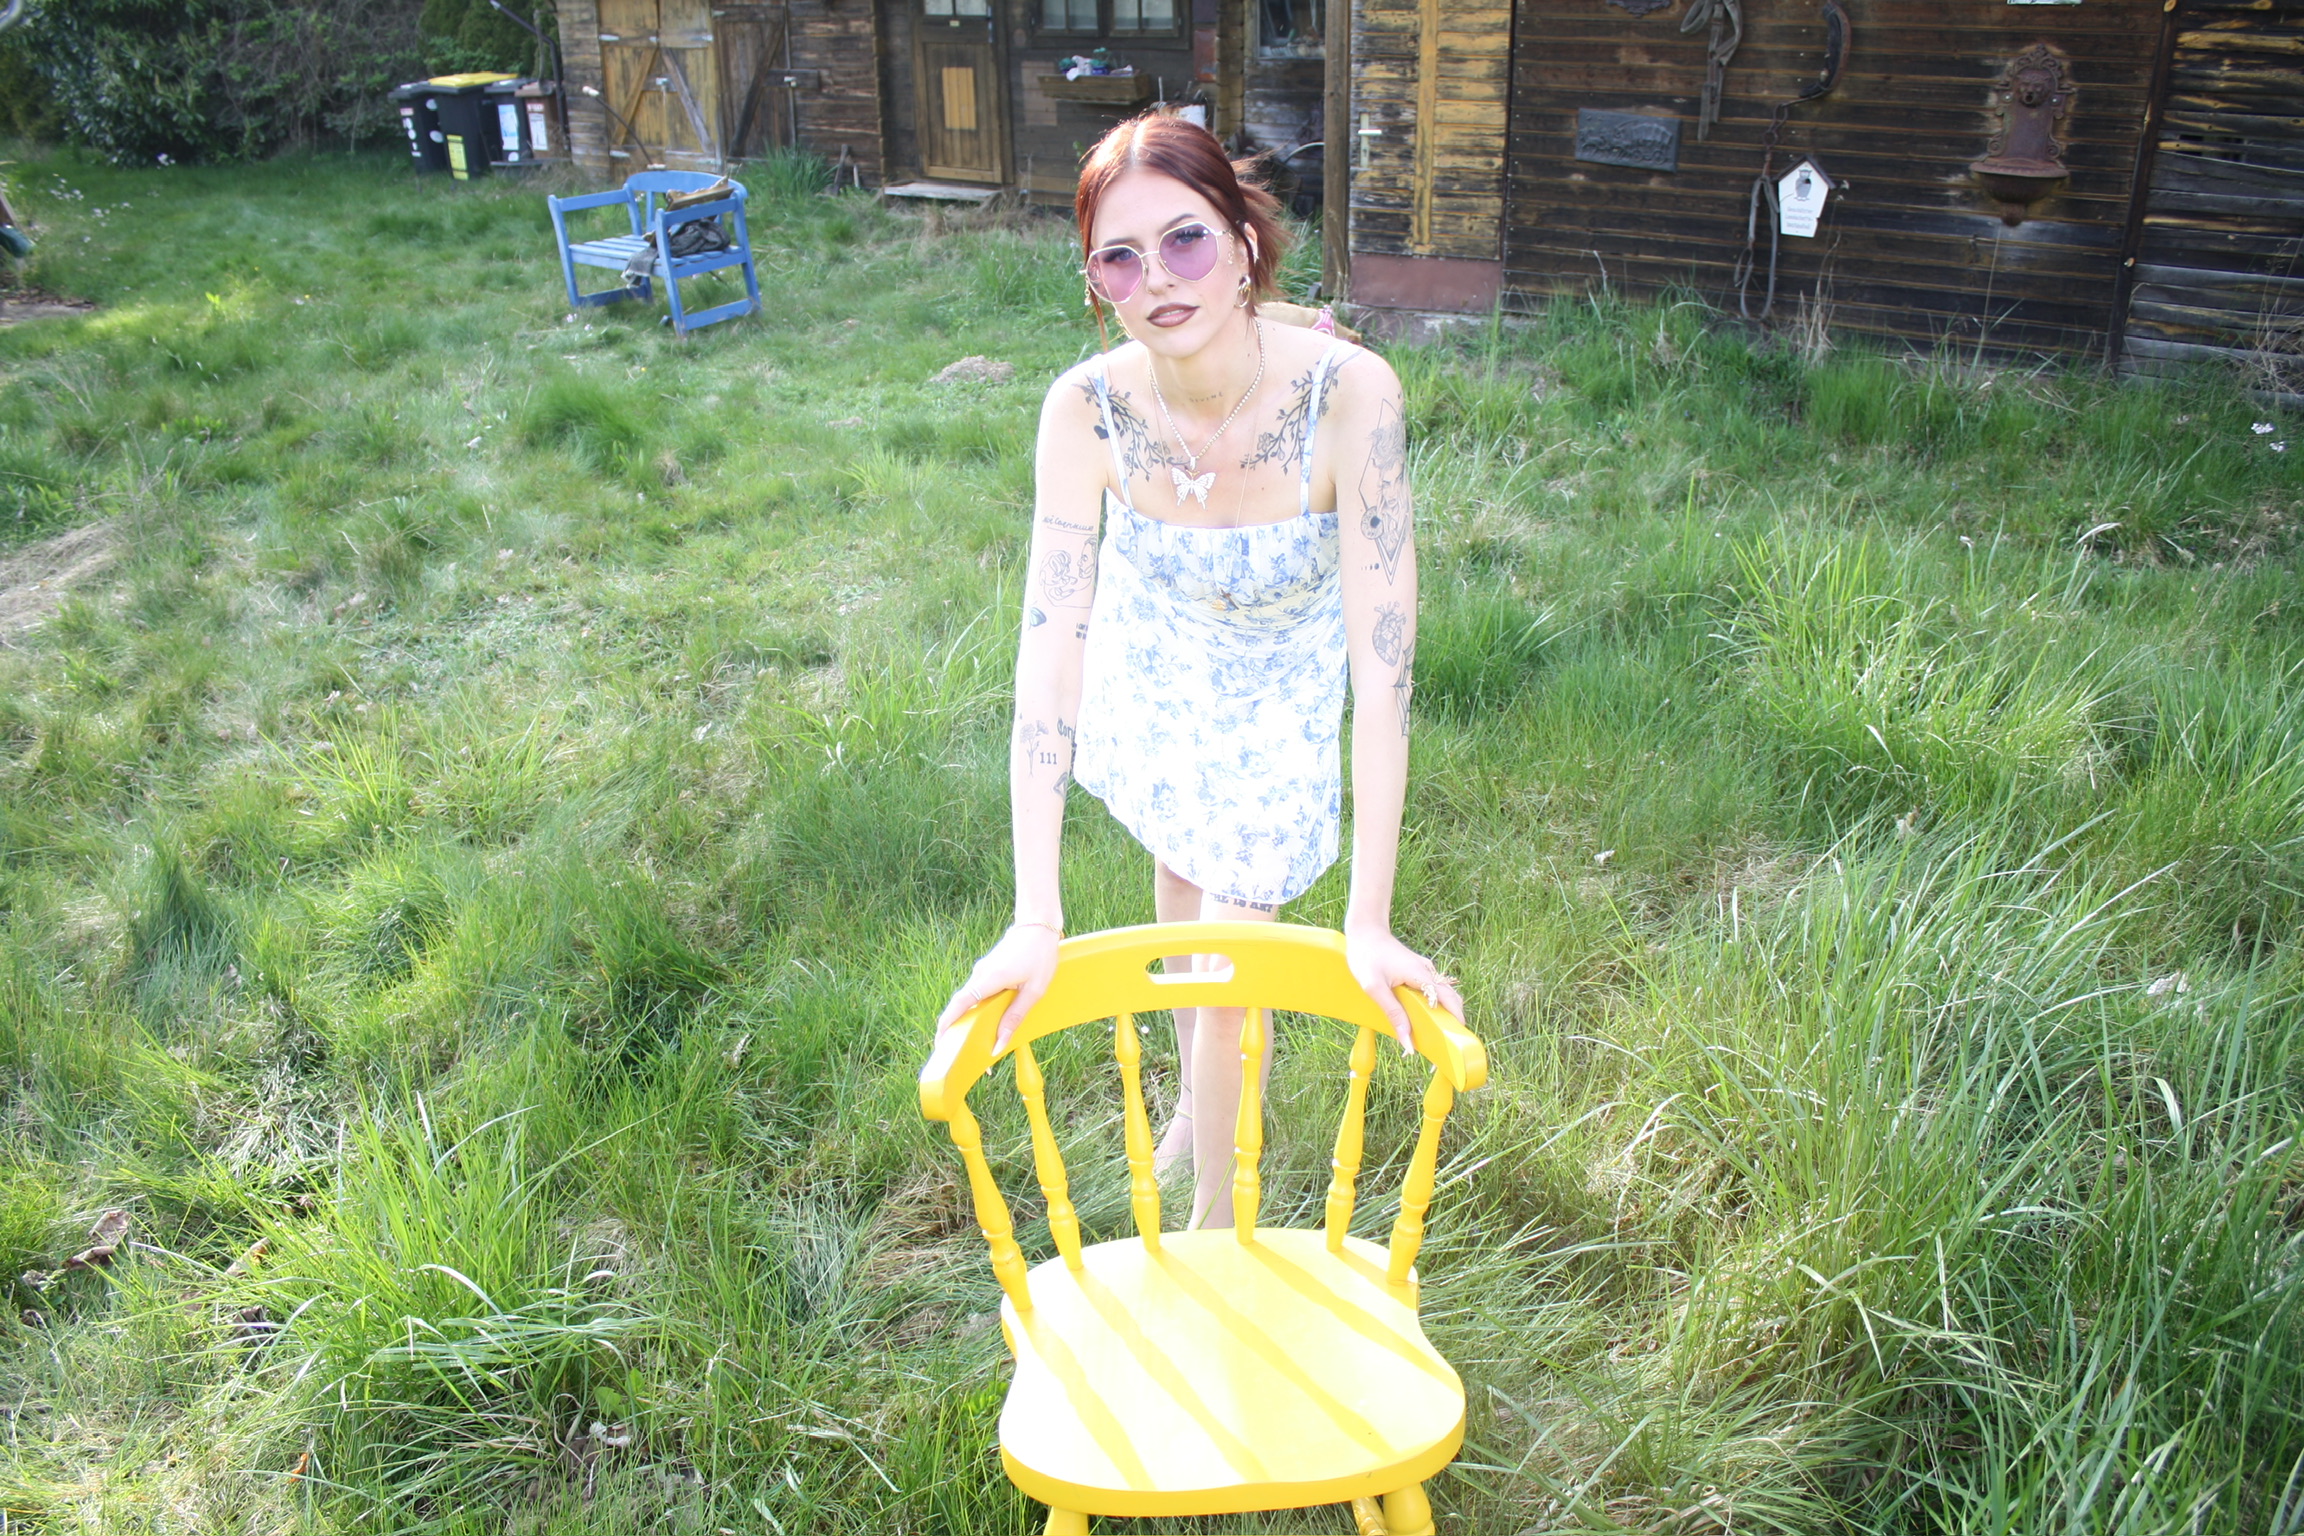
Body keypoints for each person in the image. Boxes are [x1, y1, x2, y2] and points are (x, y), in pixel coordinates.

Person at [937, 111, 1463, 1230]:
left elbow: (1384, 673)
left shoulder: (1351, 396)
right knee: (1178, 884)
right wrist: (1038, 915)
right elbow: (1050, 649)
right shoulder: (1083, 411)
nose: (1157, 278)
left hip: (1279, 692)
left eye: (1183, 240)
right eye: (1119, 258)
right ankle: (1189, 1108)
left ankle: (1217, 1221)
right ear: (1095, 283)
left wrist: (1369, 920)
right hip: (1159, 668)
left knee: (1229, 966)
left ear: (1241, 239)